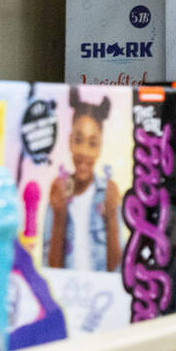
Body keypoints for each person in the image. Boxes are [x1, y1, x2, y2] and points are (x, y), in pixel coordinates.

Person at [45, 88, 121, 271]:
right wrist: (59, 214)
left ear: (100, 147)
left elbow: (117, 269)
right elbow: (51, 269)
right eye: (78, 140)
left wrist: (111, 217)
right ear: (70, 141)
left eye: (92, 144)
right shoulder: (59, 190)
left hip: (102, 295)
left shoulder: (108, 192)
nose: (84, 152)